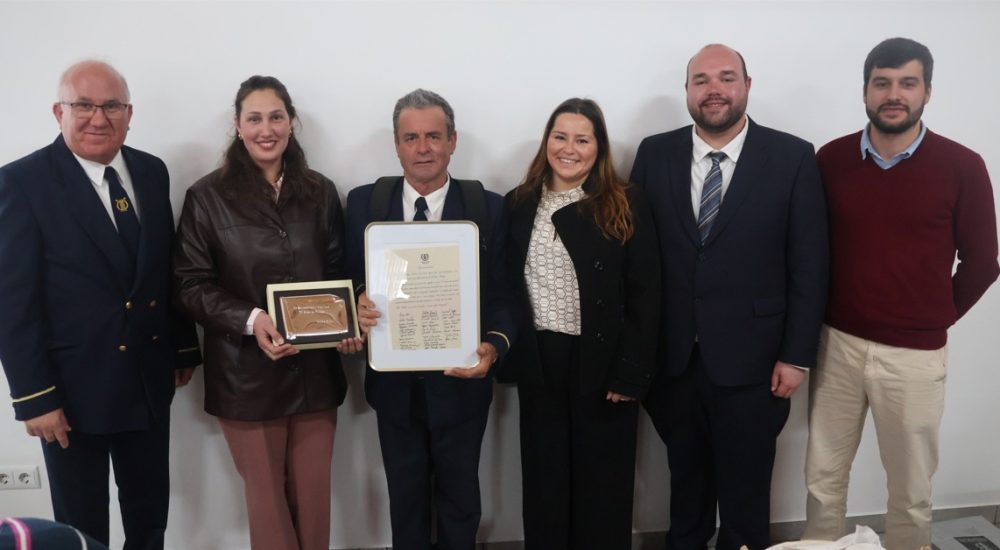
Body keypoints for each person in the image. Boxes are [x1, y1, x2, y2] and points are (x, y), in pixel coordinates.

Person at [629, 44, 829, 550]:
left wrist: (797, 356)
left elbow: (809, 264)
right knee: (685, 489)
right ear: (687, 91)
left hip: (757, 364)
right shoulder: (654, 153)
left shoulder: (792, 157)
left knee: (746, 496)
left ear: (747, 85)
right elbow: (638, 259)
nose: (713, 89)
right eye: (701, 80)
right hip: (674, 363)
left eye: (725, 77)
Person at [803, 38, 999, 550]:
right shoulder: (831, 159)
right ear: (865, 90)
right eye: (882, 83)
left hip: (915, 357)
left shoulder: (963, 165)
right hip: (836, 345)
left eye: (907, 83)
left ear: (927, 91)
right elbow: (811, 249)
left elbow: (983, 262)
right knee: (823, 480)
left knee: (911, 492)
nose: (894, 94)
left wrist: (932, 316)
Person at [0, 60, 202, 549]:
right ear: (59, 112)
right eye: (83, 105)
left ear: (129, 113)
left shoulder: (151, 171)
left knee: (150, 516)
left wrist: (182, 348)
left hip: (148, 378)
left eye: (111, 106)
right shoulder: (22, 182)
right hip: (70, 392)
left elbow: (162, 267)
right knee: (83, 524)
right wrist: (34, 397)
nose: (98, 118)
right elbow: (12, 301)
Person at [173, 75, 361, 550]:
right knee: (268, 506)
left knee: (314, 502)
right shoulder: (207, 196)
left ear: (291, 122)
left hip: (316, 375)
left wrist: (349, 322)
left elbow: (339, 272)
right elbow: (189, 285)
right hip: (246, 379)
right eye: (254, 118)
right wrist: (252, 319)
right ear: (238, 126)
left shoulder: (320, 192)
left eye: (276, 117)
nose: (266, 129)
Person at [344, 88, 515, 550]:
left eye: (434, 136)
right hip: (393, 388)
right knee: (406, 500)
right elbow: (345, 273)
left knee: (461, 500)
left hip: (462, 384)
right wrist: (356, 300)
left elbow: (505, 294)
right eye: (411, 138)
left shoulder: (489, 207)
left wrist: (494, 346)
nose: (423, 148)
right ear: (396, 145)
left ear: (452, 141)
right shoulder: (363, 204)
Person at [501, 98, 660, 549]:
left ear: (599, 148)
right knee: (544, 482)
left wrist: (631, 372)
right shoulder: (518, 203)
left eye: (582, 140)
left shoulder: (625, 201)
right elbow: (505, 285)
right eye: (560, 136)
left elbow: (646, 292)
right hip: (540, 361)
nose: (569, 149)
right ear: (546, 141)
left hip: (603, 363)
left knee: (603, 487)